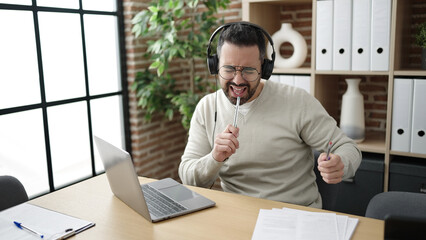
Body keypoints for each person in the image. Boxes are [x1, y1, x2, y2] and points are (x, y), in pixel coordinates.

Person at [178, 22, 361, 208]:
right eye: (229, 69)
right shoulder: (207, 108)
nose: (238, 80)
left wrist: (341, 164)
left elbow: (347, 147)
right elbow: (189, 178)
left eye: (249, 70)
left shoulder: (297, 101)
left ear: (264, 69)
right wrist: (214, 158)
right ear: (215, 66)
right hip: (238, 216)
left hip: (294, 215)